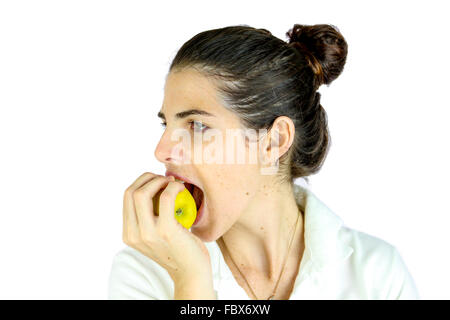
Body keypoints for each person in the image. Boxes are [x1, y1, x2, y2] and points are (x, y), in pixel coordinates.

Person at [108, 24, 420, 300]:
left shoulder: (377, 275)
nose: (162, 150)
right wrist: (191, 279)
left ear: (273, 141)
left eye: (197, 126)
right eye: (168, 125)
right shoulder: (144, 274)